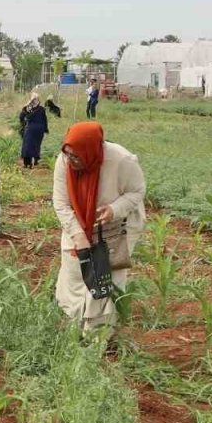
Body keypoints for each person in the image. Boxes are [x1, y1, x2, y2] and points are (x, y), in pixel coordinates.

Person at [52, 121, 146, 329]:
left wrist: (114, 209)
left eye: (76, 156)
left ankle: (100, 331)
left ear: (91, 150)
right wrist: (77, 234)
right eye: (68, 154)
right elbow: (61, 202)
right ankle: (73, 320)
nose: (71, 160)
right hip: (78, 223)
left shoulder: (122, 160)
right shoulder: (64, 161)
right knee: (75, 269)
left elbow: (138, 191)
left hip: (117, 226)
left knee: (105, 275)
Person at [19, 92, 49, 168]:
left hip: (31, 128)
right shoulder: (41, 109)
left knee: (27, 145)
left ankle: (27, 163)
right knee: (36, 145)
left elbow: (21, 116)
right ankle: (35, 161)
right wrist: (45, 129)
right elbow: (45, 120)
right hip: (39, 129)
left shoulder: (28, 107)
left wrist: (22, 124)